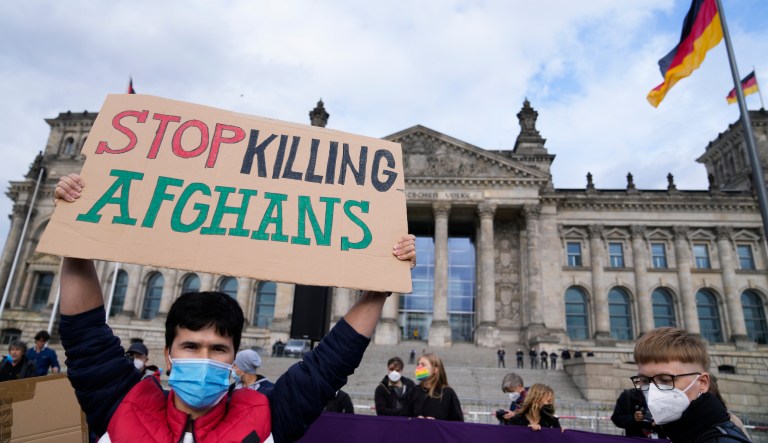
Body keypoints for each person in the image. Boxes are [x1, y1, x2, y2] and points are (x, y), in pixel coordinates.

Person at [56, 168, 417, 443]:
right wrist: (73, 229)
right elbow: (85, 336)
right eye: (191, 346)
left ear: (233, 358)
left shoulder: (267, 416)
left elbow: (329, 365)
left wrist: (379, 289)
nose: (203, 358)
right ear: (167, 355)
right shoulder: (123, 403)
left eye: (217, 349)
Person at [632, 327, 751, 443]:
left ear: (702, 383)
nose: (652, 391)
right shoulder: (680, 432)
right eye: (645, 381)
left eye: (665, 380)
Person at [400, 353, 463, 421]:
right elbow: (404, 417)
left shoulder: (447, 393)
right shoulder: (414, 391)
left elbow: (457, 423)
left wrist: (436, 423)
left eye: (423, 365)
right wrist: (414, 420)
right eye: (418, 364)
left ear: (435, 370)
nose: (419, 367)